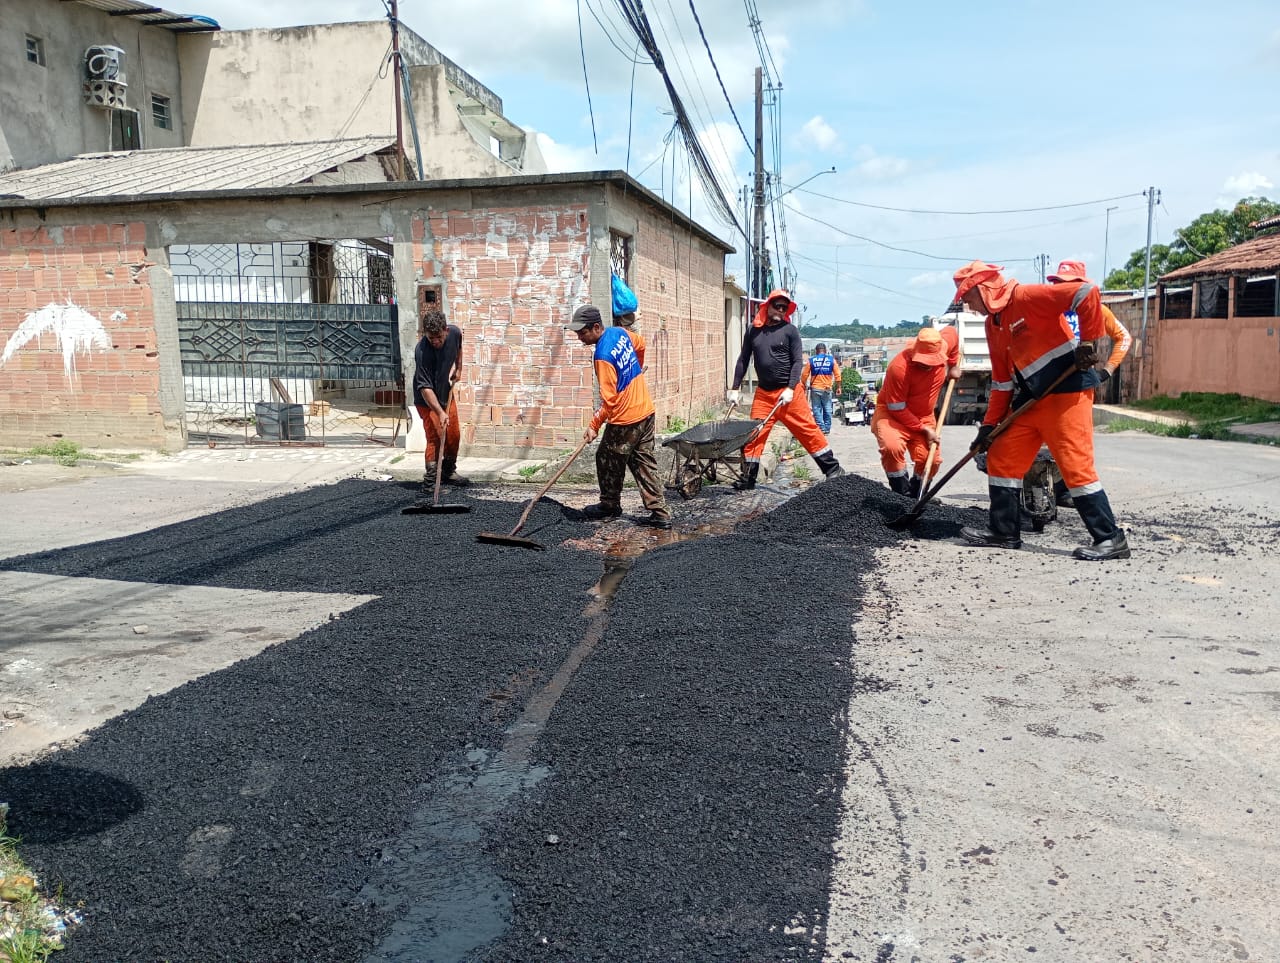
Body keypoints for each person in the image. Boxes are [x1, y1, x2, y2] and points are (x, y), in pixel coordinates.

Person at [953, 261, 1129, 561]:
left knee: (1075, 467)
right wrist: (989, 427)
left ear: (984, 289)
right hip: (1031, 400)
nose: (969, 306)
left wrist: (1088, 341)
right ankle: (1004, 532)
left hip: (1067, 394)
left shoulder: (1027, 297)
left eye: (969, 298)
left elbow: (1086, 292)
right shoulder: (992, 325)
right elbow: (1002, 382)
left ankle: (1110, 539)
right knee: (1002, 456)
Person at [566, 304, 672, 529]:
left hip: (626, 419)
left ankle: (609, 505)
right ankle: (660, 513)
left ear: (596, 327)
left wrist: (594, 424)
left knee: (606, 458)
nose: (579, 337)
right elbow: (641, 344)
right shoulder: (620, 333)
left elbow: (610, 401)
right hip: (646, 410)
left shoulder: (602, 355)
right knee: (643, 462)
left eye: (582, 332)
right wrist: (636, 370)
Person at [727, 289, 846, 489]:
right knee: (754, 434)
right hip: (764, 395)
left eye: (785, 307)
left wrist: (791, 388)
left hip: (790, 394)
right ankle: (748, 478)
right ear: (767, 306)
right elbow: (743, 359)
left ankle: (833, 470)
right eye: (778, 306)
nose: (781, 310)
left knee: (807, 430)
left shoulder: (790, 331)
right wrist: (735, 388)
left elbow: (797, 362)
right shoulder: (753, 331)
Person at [1044, 259, 1133, 507]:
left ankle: (1066, 490)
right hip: (1045, 383)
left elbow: (1124, 338)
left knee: (1074, 442)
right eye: (1059, 283)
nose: (1063, 288)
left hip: (1078, 385)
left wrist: (1107, 371)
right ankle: (1039, 488)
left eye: (1070, 284)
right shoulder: (1046, 310)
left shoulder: (1097, 310)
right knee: (1042, 439)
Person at [872, 327, 949, 498]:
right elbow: (896, 408)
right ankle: (901, 494)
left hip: (924, 416)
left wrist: (955, 366)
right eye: (925, 361)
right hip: (892, 415)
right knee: (892, 448)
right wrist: (923, 429)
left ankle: (917, 495)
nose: (928, 365)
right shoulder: (899, 368)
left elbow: (952, 334)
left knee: (931, 460)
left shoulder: (943, 347)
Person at [412, 308, 468, 499]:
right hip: (426, 400)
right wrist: (440, 412)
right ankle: (430, 483)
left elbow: (458, 347)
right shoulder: (422, 351)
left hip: (445, 392)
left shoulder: (455, 333)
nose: (435, 341)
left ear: (446, 330)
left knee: (453, 434)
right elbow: (425, 388)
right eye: (431, 338)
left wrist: (459, 368)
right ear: (425, 334)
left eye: (439, 337)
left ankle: (448, 472)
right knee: (435, 436)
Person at [802, 342, 842, 434]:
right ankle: (827, 428)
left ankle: (821, 428)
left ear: (816, 351)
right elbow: (838, 375)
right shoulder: (831, 360)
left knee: (816, 409)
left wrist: (804, 385)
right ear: (825, 351)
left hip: (815, 388)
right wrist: (839, 387)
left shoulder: (811, 360)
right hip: (827, 389)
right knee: (827, 408)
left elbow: (804, 375)